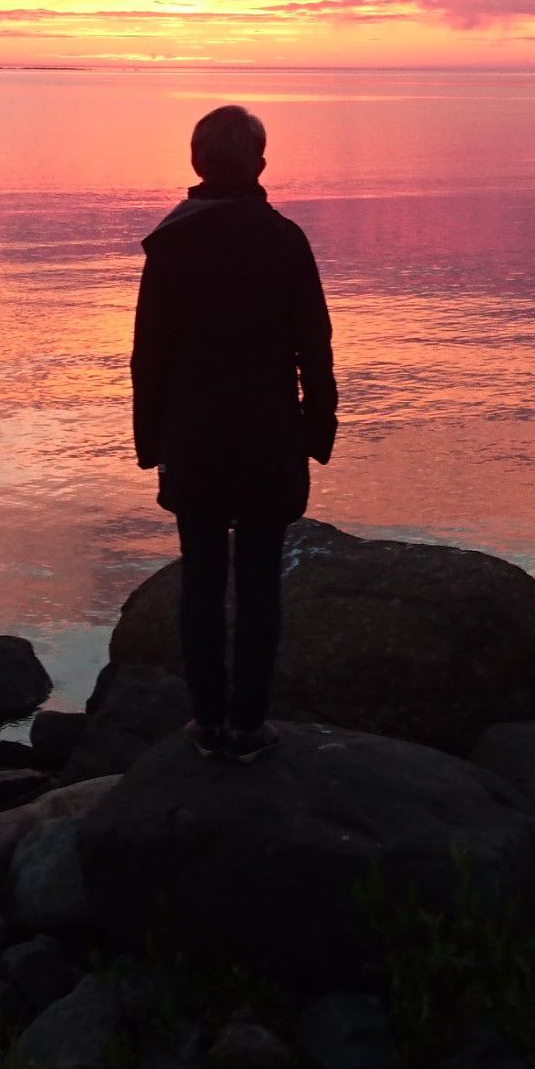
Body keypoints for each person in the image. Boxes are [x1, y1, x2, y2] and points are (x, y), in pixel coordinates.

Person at [130, 104, 337, 761]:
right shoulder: (284, 240)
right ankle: (248, 725)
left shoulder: (170, 244)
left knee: (201, 580)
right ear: (259, 165)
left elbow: (147, 356)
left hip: (194, 442)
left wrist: (149, 441)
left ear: (197, 164)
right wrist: (318, 429)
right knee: (258, 583)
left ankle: (208, 724)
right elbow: (316, 347)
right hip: (268, 438)